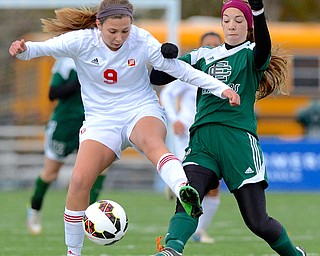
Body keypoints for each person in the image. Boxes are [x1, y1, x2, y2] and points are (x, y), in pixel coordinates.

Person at [9, 1, 240, 255]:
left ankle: (183, 189)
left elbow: (179, 70)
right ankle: (73, 253)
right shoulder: (82, 41)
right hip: (101, 120)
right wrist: (22, 49)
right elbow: (40, 48)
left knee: (154, 144)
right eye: (113, 32)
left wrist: (220, 88)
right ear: (99, 25)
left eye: (125, 31)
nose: (120, 38)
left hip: (140, 109)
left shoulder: (141, 39)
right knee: (78, 182)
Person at [150, 0, 306, 255]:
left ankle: (294, 253)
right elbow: (157, 77)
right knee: (189, 195)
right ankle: (172, 248)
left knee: (258, 222)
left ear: (248, 24)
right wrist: (165, 56)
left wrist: (259, 12)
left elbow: (265, 46)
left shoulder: (252, 53)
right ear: (221, 23)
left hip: (238, 142)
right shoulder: (203, 55)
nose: (231, 25)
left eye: (238, 20)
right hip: (203, 140)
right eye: (227, 20)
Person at [27, 57, 107, 235]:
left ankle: (88, 218)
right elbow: (53, 93)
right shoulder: (67, 61)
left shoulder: (105, 56)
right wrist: (82, 79)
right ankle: (34, 210)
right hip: (65, 124)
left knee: (101, 168)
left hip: (91, 123)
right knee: (50, 173)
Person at [160, 32, 222, 244]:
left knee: (214, 187)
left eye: (216, 45)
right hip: (187, 133)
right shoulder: (191, 72)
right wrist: (175, 119)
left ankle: (199, 231)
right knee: (192, 185)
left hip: (212, 135)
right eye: (208, 45)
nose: (212, 48)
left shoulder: (225, 72)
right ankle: (177, 235)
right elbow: (167, 93)